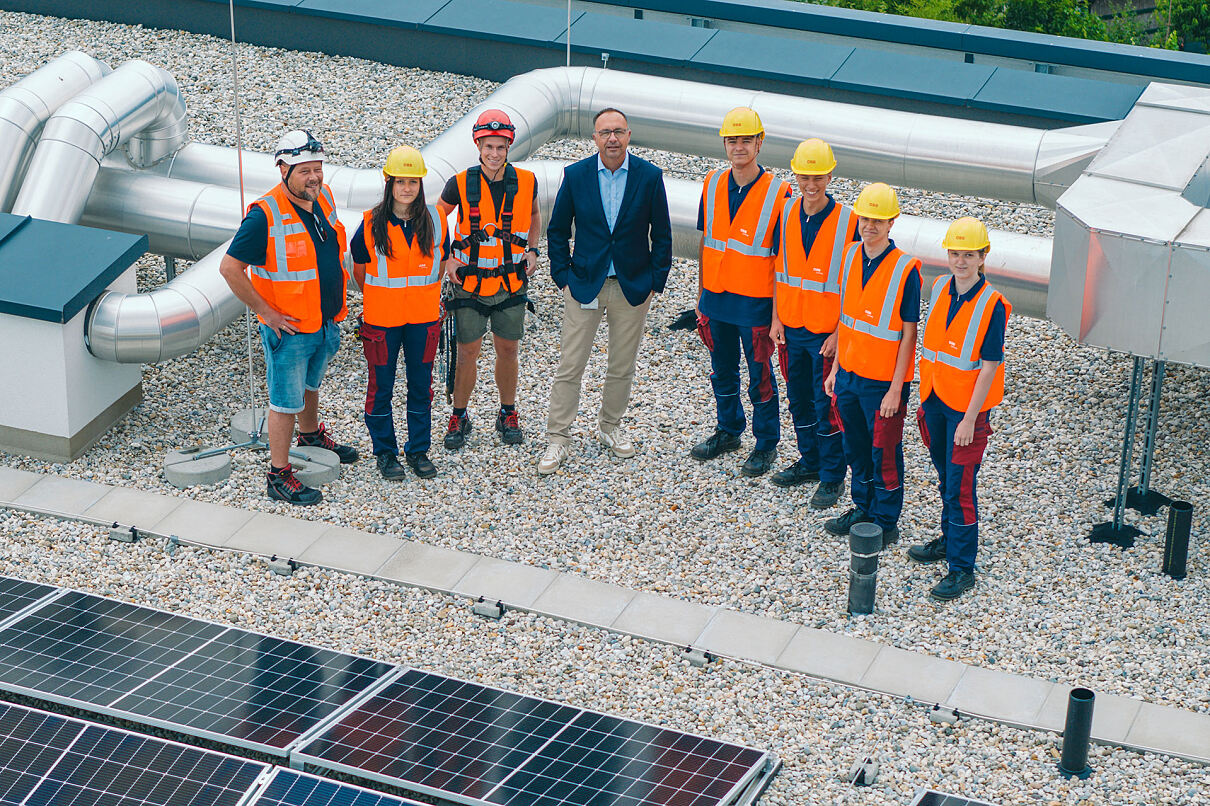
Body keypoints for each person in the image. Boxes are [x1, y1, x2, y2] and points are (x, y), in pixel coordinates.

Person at [219, 129, 358, 506]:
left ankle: (310, 436)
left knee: (311, 385)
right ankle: (278, 475)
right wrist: (267, 312)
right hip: (291, 329)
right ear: (283, 169)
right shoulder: (264, 215)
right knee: (284, 402)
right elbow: (230, 268)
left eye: (317, 168)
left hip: (325, 319)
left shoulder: (323, 197)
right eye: (303, 170)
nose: (313, 177)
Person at [539, 108, 673, 474]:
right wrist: (562, 275)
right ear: (594, 138)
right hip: (584, 283)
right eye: (604, 132)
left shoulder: (648, 177)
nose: (612, 138)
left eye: (618, 131)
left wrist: (654, 283)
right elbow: (557, 230)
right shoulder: (577, 175)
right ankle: (558, 438)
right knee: (571, 364)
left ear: (629, 135)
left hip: (631, 287)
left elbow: (662, 234)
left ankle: (610, 427)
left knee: (622, 365)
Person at [909, 217, 1009, 601]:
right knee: (946, 480)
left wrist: (970, 418)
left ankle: (961, 568)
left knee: (961, 488)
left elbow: (988, 366)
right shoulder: (940, 287)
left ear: (983, 257)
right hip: (935, 400)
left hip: (965, 413)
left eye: (969, 254)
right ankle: (949, 541)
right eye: (955, 253)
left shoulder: (992, 305)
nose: (961, 261)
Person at [692, 107, 793, 477]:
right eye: (732, 140)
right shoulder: (713, 182)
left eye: (745, 140)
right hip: (717, 300)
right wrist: (701, 298)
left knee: (760, 377)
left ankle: (766, 443)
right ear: (724, 144)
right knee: (722, 372)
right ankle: (729, 430)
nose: (738, 147)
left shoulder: (779, 195)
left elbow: (784, 261)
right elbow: (708, 242)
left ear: (759, 143)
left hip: (754, 304)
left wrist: (777, 315)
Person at [823, 182, 921, 546]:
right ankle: (862, 507)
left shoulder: (905, 269)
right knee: (856, 448)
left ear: (892, 221)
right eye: (866, 218)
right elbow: (846, 317)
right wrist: (835, 370)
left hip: (882, 383)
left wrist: (897, 388)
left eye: (879, 219)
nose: (871, 225)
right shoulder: (850, 256)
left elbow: (909, 334)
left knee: (885, 454)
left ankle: (886, 520)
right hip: (849, 375)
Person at [437, 109, 540, 450]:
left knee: (508, 349)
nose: (494, 153)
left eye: (500, 146)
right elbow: (437, 217)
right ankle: (459, 414)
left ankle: (507, 412)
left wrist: (534, 250)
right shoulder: (460, 182)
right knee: (467, 352)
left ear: (509, 146)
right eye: (488, 146)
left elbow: (536, 214)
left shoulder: (527, 181)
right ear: (477, 145)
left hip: (511, 283)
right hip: (468, 283)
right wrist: (447, 257)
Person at [350, 146, 450, 481]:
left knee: (421, 387)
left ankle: (418, 450)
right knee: (381, 389)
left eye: (413, 181)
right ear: (388, 182)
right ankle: (385, 453)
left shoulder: (436, 220)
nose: (407, 188)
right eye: (400, 181)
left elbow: (440, 264)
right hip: (382, 323)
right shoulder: (368, 224)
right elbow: (360, 274)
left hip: (423, 320)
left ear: (421, 184)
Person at [768, 138, 857, 509]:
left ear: (830, 176)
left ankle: (832, 475)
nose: (811, 184)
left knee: (826, 404)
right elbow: (778, 270)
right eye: (805, 176)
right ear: (796, 175)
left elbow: (857, 284)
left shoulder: (849, 222)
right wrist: (775, 318)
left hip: (825, 333)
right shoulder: (786, 212)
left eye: (818, 176)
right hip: (790, 326)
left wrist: (840, 332)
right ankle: (809, 460)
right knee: (798, 400)